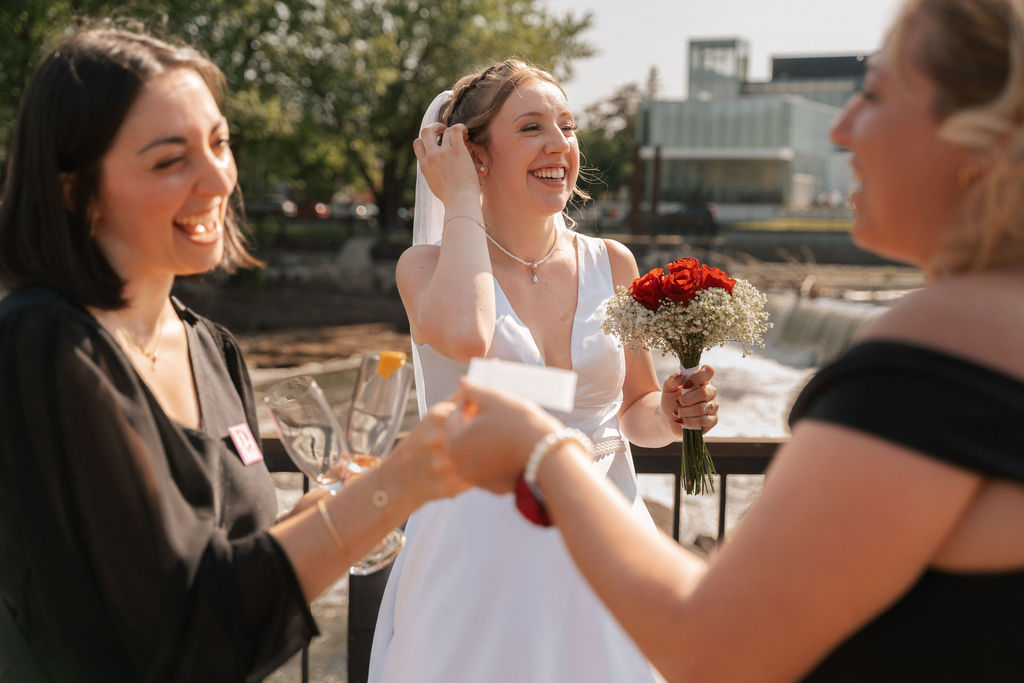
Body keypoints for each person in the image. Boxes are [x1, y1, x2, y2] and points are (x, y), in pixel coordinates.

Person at [440, 1, 1024, 680]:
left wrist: (544, 451)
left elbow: (714, 649)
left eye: (875, 94)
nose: (841, 126)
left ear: (984, 142)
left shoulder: (937, 352)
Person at [0, 26, 466, 681]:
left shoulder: (210, 346)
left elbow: (238, 562)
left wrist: (327, 509)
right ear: (75, 190)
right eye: (170, 160)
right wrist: (403, 481)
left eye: (219, 142)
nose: (218, 176)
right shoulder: (42, 346)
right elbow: (181, 632)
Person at [368, 60, 719, 682]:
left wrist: (668, 412)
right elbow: (468, 333)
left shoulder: (611, 262)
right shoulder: (424, 268)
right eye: (531, 128)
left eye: (567, 125)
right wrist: (461, 203)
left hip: (609, 531)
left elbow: (632, 412)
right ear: (473, 155)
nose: (560, 145)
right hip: (482, 551)